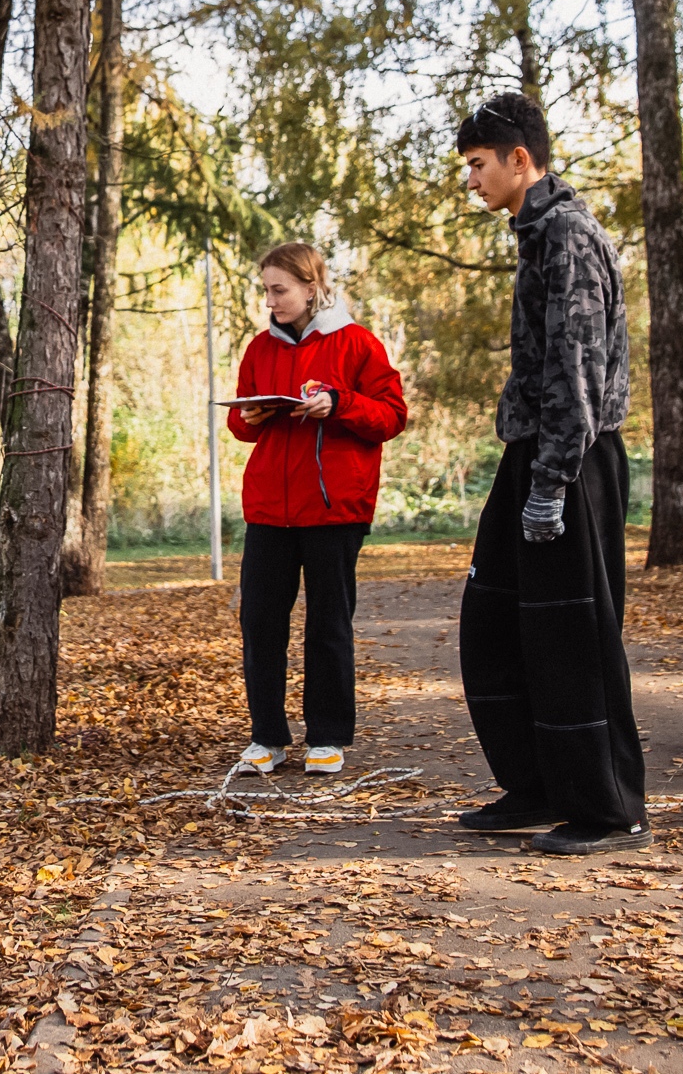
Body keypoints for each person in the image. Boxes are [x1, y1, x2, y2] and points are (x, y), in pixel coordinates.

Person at [451, 92, 647, 855]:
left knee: (572, 639)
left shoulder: (565, 234)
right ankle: (534, 784)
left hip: (569, 456)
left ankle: (608, 807)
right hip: (532, 450)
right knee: (496, 625)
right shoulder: (536, 233)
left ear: (519, 160)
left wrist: (551, 480)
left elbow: (578, 367)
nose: (470, 179)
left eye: (477, 165)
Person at [226, 242, 408, 776]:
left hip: (334, 510)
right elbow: (239, 424)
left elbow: (393, 415)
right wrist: (253, 416)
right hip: (268, 510)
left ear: (311, 286)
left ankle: (327, 737)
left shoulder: (356, 344)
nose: (271, 301)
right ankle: (268, 737)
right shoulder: (260, 349)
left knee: (328, 624)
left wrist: (339, 403)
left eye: (279, 290)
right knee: (260, 622)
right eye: (266, 291)